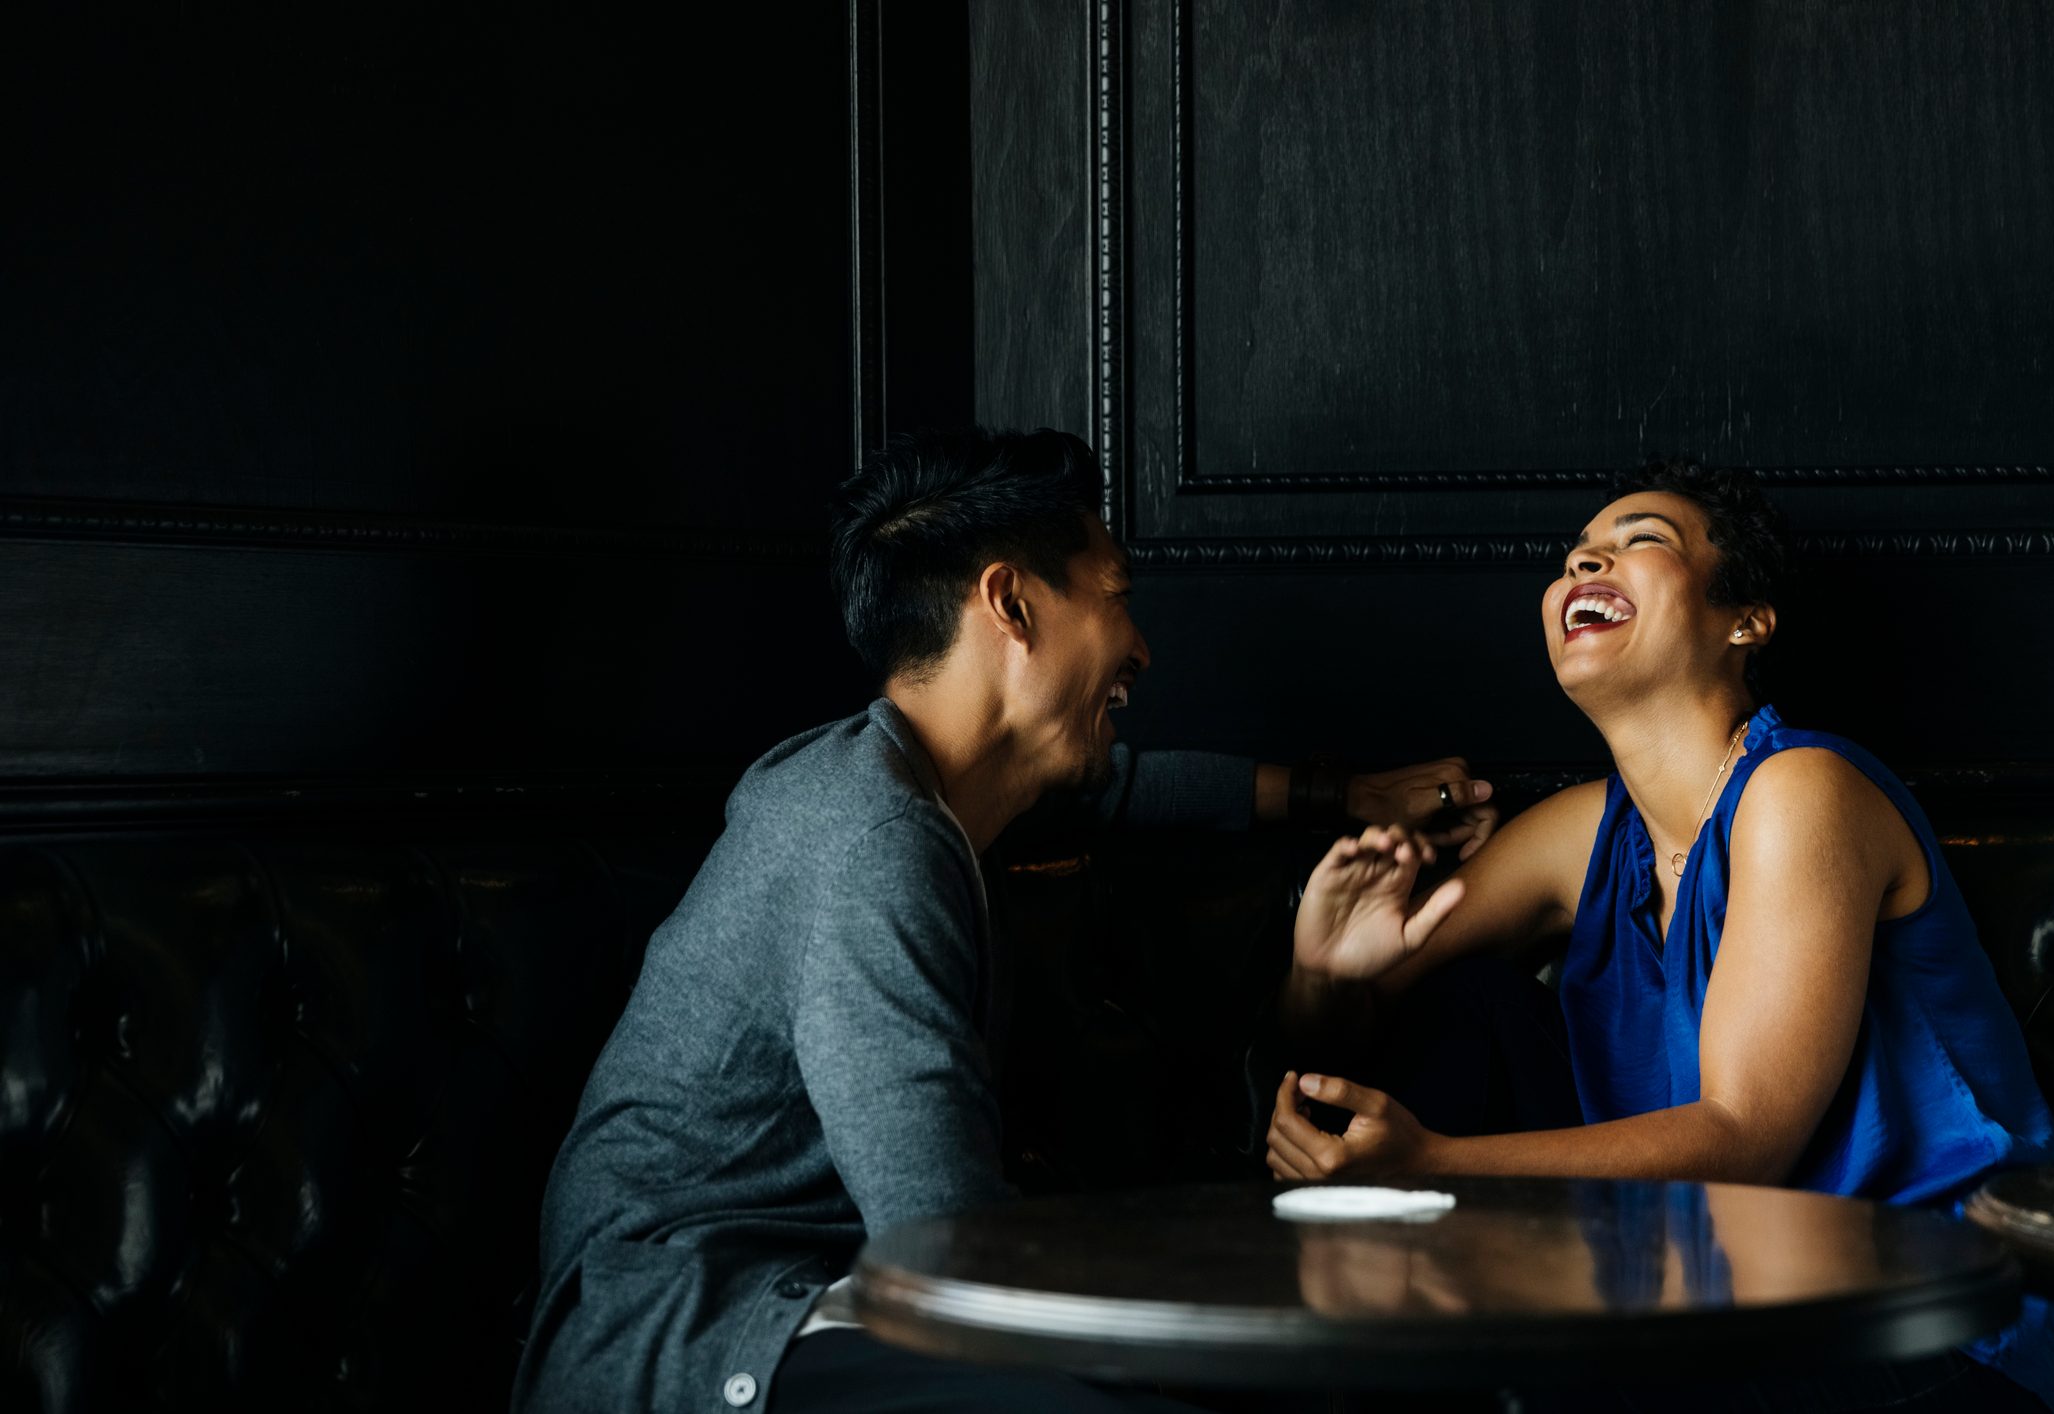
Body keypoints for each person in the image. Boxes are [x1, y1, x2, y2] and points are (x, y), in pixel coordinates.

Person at [512, 426, 1496, 1414]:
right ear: (1012, 604)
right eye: (1117, 596)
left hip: (831, 1296)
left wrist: (1343, 792)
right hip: (692, 1330)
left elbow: (1125, 786)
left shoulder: (916, 776)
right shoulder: (870, 840)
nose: (1142, 646)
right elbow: (941, 1234)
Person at [1270, 460, 2054, 1413]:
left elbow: (1743, 1143)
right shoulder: (1581, 837)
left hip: (1918, 1327)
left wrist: (1427, 1164)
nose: (1584, 561)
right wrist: (1324, 977)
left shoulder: (1801, 794)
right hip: (1697, 1308)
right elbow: (1343, 1047)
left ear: (1746, 621)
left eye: (1639, 539)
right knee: (1460, 1003)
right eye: (1574, 555)